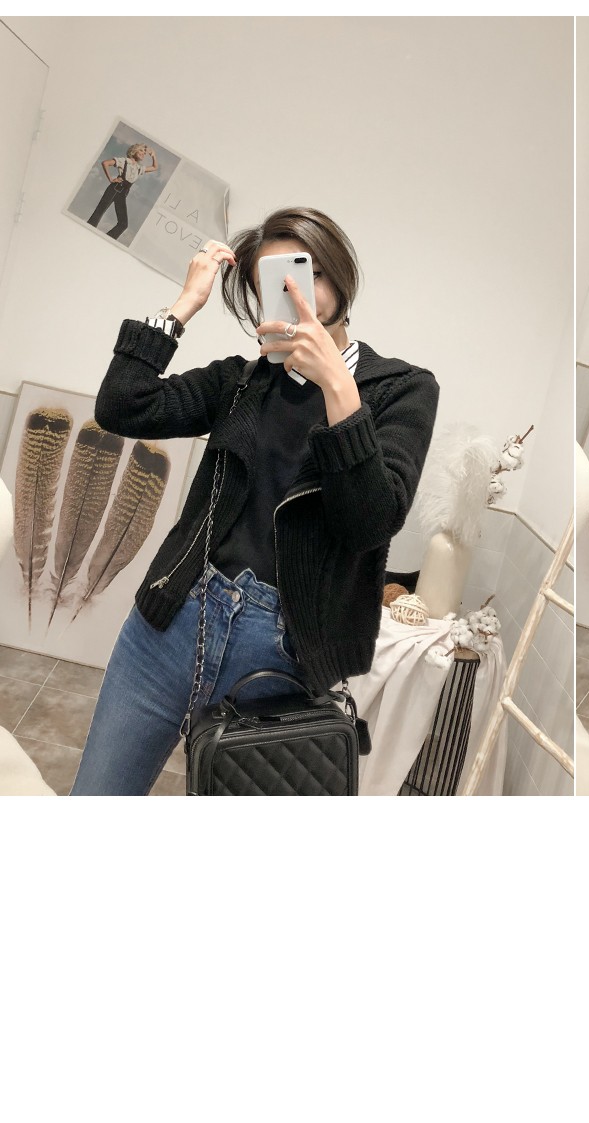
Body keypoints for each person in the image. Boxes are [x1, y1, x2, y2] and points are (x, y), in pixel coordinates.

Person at [71, 207, 439, 795]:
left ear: (341, 276)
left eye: (308, 273)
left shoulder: (402, 389)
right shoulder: (239, 382)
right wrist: (184, 305)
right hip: (171, 626)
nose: (294, 292)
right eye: (274, 281)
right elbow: (122, 407)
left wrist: (338, 387)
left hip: (283, 658)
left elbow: (371, 522)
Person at [87, 143, 158, 240]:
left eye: (144, 153)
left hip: (123, 194)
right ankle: (86, 234)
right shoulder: (124, 161)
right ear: (134, 150)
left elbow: (154, 167)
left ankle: (105, 239)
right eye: (141, 150)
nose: (143, 154)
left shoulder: (139, 168)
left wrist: (153, 155)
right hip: (114, 189)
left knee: (123, 224)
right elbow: (105, 163)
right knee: (98, 214)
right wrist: (111, 179)